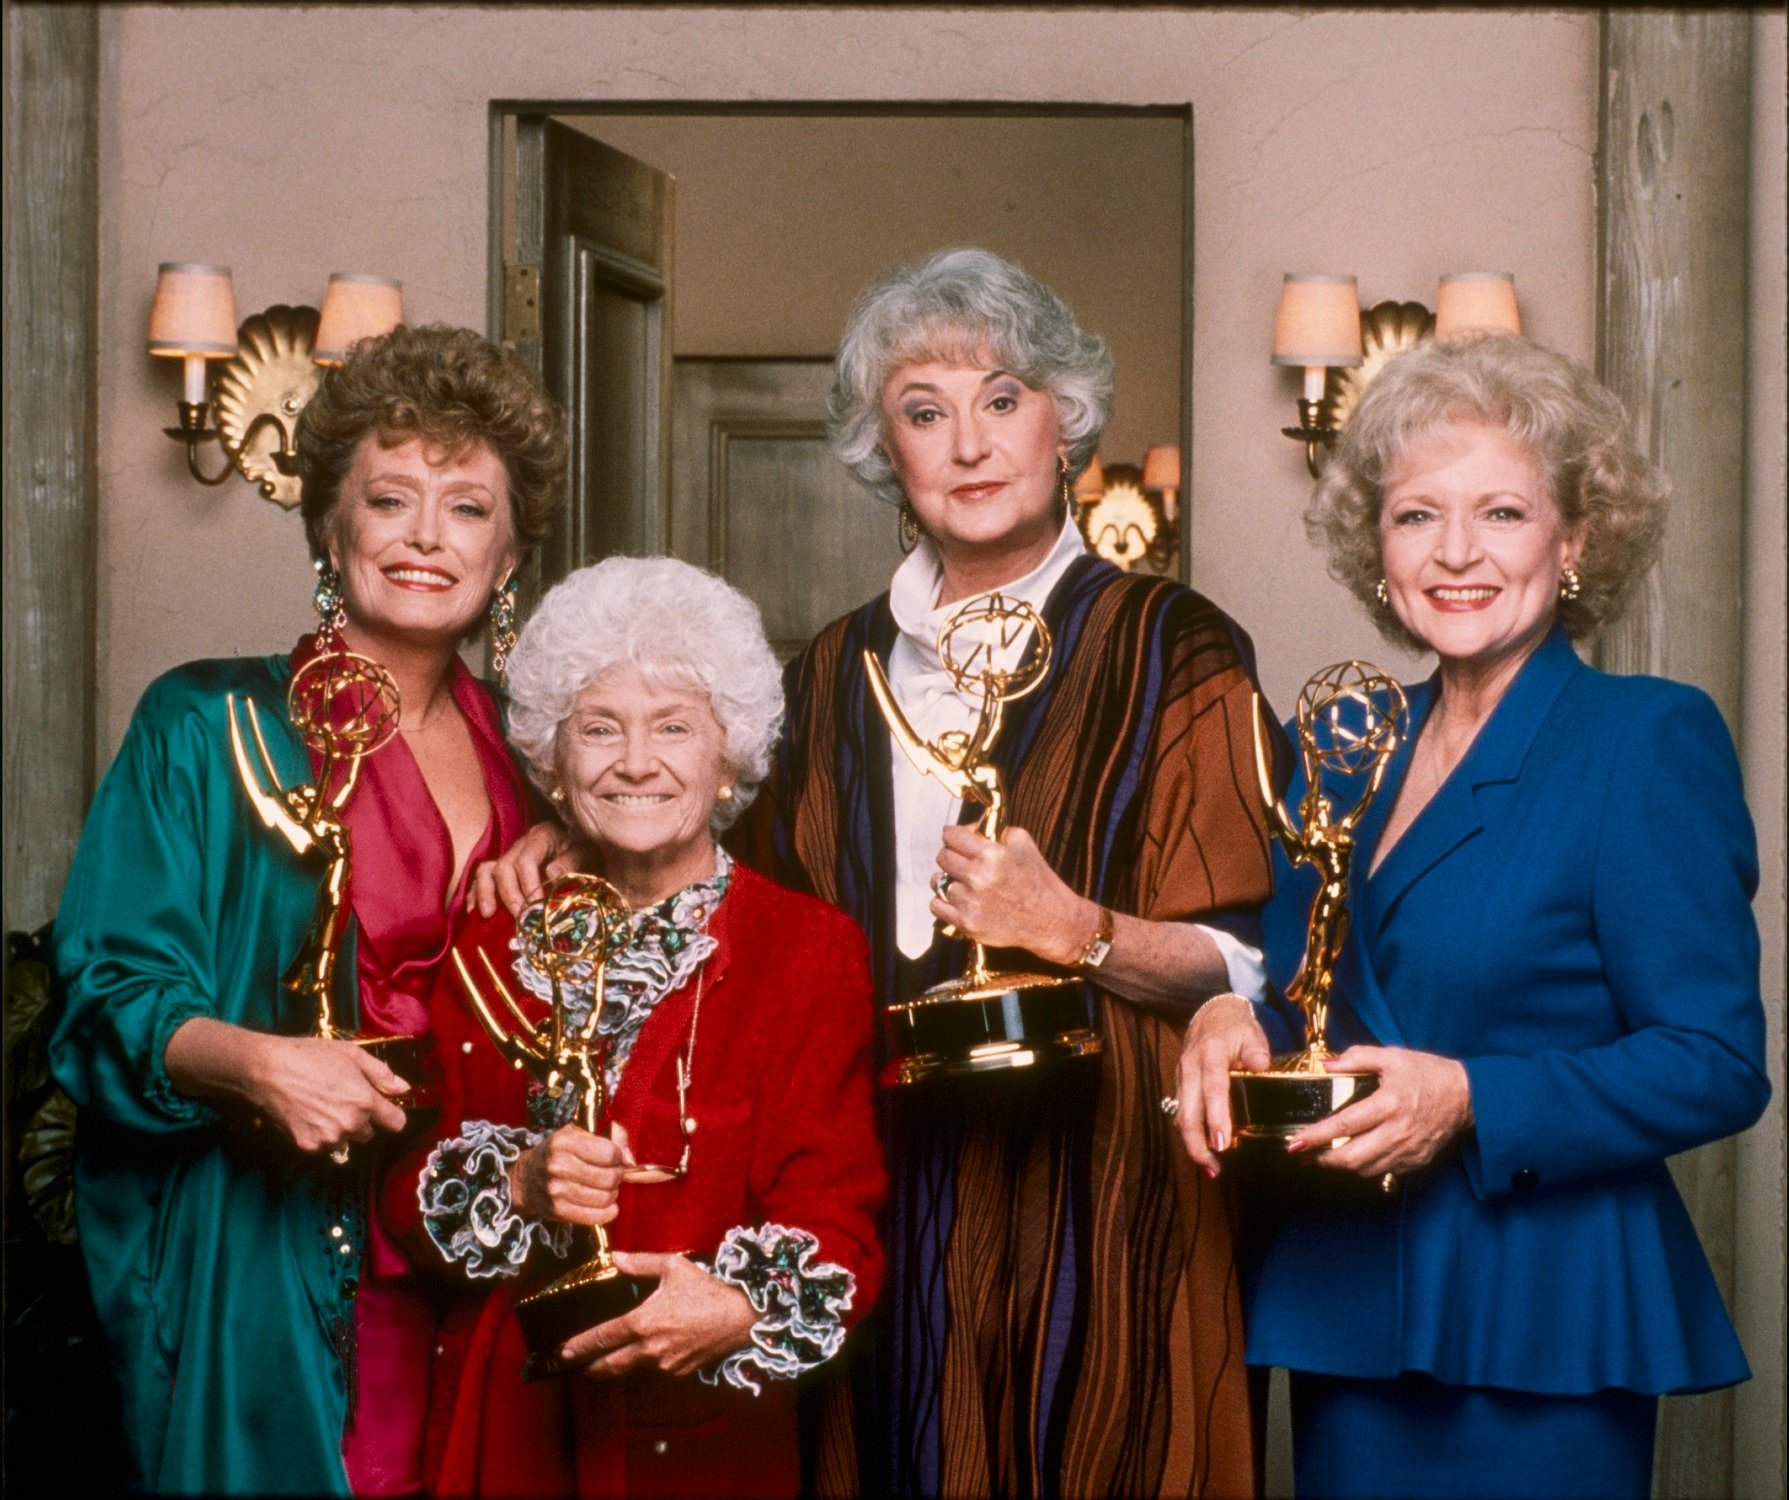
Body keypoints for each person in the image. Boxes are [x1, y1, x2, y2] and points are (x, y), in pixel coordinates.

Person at [481, 247, 1276, 1498]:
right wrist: (575, 836)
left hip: (1111, 1190)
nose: (968, 444)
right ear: (881, 451)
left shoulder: (1174, 644)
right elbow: (726, 892)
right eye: (924, 411)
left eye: (1002, 400)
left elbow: (1248, 962)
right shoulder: (830, 673)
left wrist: (1076, 929)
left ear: (1063, 422)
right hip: (881, 1191)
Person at [1174, 332, 1770, 1500]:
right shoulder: (1340, 746)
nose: (1455, 554)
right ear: (1375, 548)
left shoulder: (1641, 739)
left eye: (1501, 513)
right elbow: (1299, 987)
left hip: (1543, 1313)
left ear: (1576, 540)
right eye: (1415, 516)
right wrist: (1219, 1014)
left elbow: (1715, 1062)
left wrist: (1469, 1098)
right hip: (1348, 1298)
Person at [48, 323, 567, 1495]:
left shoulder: (538, 763)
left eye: (469, 508)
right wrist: (264, 1067)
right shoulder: (209, 727)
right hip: (271, 1248)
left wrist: (572, 845)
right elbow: (102, 1003)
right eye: (391, 499)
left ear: (512, 549)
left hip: (480, 1256)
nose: (429, 537)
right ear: (330, 528)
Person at [395, 555, 884, 1499]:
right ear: (550, 756)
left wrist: (738, 1307)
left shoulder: (808, 949)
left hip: (706, 1435)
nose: (635, 762)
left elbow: (840, 1217)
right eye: (599, 728)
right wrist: (517, 1182)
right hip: (505, 1424)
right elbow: (403, 1191)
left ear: (729, 752)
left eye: (674, 728)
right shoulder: (493, 933)